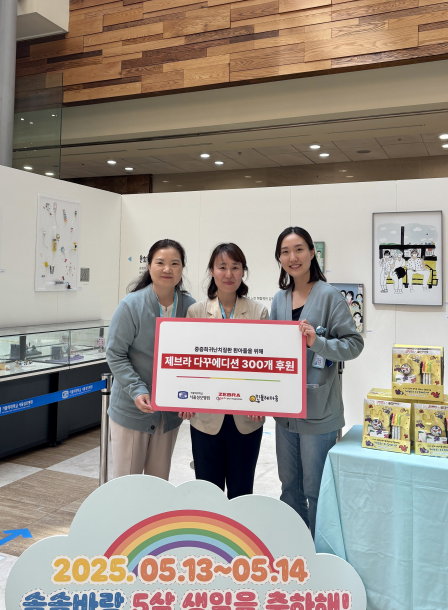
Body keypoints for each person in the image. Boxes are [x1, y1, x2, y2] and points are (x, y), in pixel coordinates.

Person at [271, 226, 364, 537]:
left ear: (312, 253)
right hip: (285, 411)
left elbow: (354, 345)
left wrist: (318, 343)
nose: (293, 257)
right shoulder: (279, 300)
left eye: (299, 249)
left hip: (319, 410)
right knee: (289, 487)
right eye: (285, 252)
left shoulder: (329, 296)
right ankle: (294, 545)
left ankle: (319, 551)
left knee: (316, 488)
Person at [180, 243, 268, 499]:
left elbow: (265, 365)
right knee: (208, 491)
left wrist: (261, 401)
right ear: (212, 271)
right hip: (206, 418)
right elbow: (188, 362)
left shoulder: (259, 312)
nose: (228, 274)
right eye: (222, 267)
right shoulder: (196, 312)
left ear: (243, 272)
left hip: (247, 418)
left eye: (235, 267)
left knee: (242, 492)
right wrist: (183, 398)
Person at [106, 239, 195, 480]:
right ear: (149, 266)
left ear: (182, 268)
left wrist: (190, 397)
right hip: (131, 409)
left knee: (158, 483)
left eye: (175, 263)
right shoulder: (131, 305)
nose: (167, 269)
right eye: (160, 262)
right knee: (128, 484)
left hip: (169, 413)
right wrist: (137, 390)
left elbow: (195, 358)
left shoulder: (190, 308)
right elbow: (115, 353)